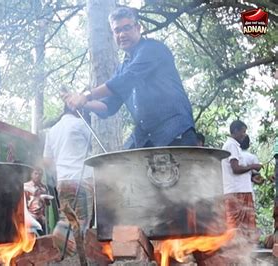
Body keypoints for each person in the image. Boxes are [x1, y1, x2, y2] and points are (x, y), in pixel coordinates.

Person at [63, 6, 196, 149]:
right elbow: (108, 106)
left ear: (138, 28)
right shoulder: (123, 67)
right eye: (117, 30)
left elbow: (126, 80)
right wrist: (83, 103)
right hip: (146, 135)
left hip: (174, 130)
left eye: (126, 28)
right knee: (119, 164)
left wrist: (86, 95)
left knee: (175, 171)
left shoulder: (152, 49)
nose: (122, 34)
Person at [43, 105, 94, 255]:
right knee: (82, 222)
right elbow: (95, 146)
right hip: (82, 179)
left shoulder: (52, 131)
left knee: (68, 218)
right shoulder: (81, 124)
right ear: (77, 109)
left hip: (63, 181)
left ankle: (62, 231)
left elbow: (46, 160)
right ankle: (79, 257)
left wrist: (59, 171)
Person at [221, 120, 262, 243]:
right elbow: (235, 168)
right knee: (236, 226)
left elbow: (238, 171)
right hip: (237, 192)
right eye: (243, 132)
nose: (244, 135)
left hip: (241, 190)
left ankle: (243, 256)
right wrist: (253, 166)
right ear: (235, 131)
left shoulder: (235, 146)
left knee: (245, 227)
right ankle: (235, 255)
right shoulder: (231, 145)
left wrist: (252, 178)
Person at [24, 167, 51, 234]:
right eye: (36, 173)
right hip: (30, 216)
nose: (37, 176)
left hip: (42, 217)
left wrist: (46, 199)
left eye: (40, 174)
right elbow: (22, 203)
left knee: (44, 237)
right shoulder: (26, 186)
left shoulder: (44, 188)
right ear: (31, 174)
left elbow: (48, 204)